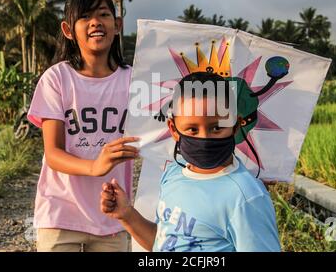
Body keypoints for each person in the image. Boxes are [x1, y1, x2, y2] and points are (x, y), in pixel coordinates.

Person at [100, 72, 281, 252]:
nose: (204, 138)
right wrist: (127, 215)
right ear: (173, 129)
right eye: (193, 129)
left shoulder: (246, 198)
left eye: (217, 128)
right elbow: (166, 244)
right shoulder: (174, 173)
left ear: (235, 126)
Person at [27, 0, 140, 252]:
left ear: (117, 25)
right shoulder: (57, 79)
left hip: (112, 215)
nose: (95, 23)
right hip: (60, 215)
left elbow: (162, 133)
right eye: (85, 16)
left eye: (103, 14)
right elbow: (53, 153)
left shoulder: (135, 81)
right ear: (68, 30)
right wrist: (95, 166)